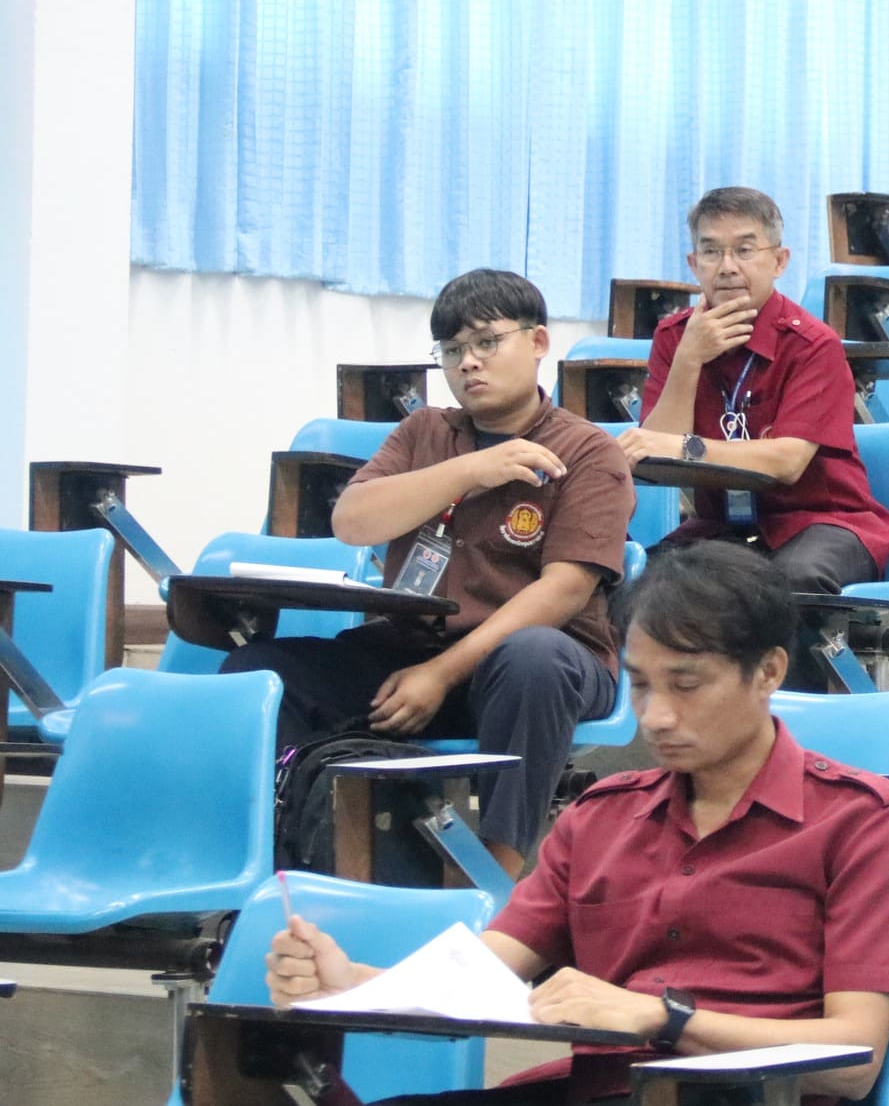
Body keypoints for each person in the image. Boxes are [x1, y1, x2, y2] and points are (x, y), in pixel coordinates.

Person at [264, 542, 889, 1106]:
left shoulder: (863, 823)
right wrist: (355, 984)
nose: (656, 716)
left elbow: (854, 1059)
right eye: (639, 685)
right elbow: (485, 972)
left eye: (687, 685)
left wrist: (663, 1019)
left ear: (770, 672)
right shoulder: (600, 817)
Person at [222, 269, 634, 877]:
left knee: (533, 657)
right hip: (408, 654)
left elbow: (565, 591)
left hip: (537, 670)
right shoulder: (424, 432)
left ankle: (493, 880)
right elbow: (352, 521)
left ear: (538, 342)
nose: (468, 363)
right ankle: (281, 864)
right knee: (258, 670)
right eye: (451, 349)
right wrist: (470, 471)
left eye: (487, 342)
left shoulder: (589, 452)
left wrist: (440, 675)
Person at [616, 186, 889, 597]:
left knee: (785, 582)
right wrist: (689, 359)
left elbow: (786, 462)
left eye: (744, 250)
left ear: (779, 261)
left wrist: (690, 448)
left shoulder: (813, 344)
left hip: (823, 522)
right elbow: (658, 454)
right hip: (723, 528)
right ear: (694, 263)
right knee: (639, 584)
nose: (727, 267)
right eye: (711, 252)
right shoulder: (675, 337)